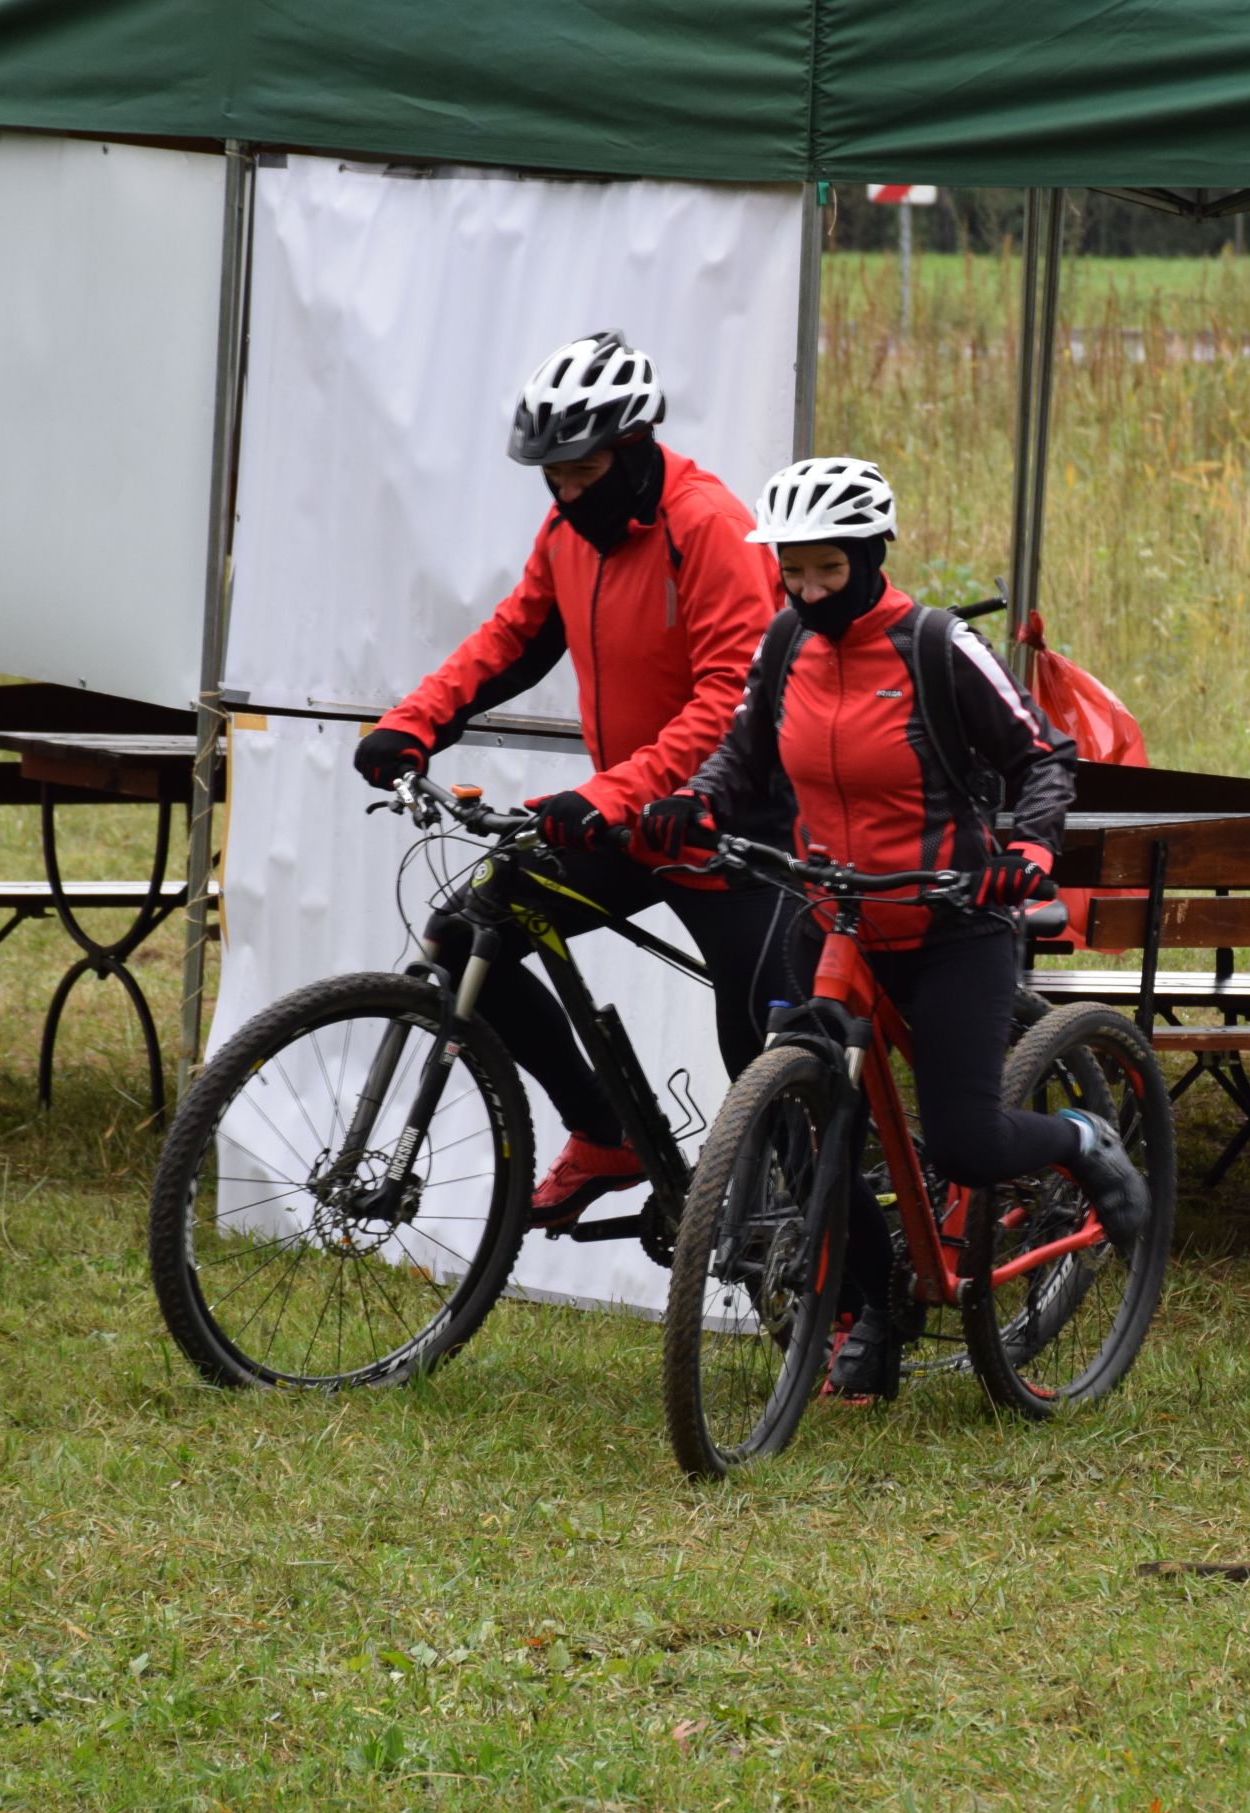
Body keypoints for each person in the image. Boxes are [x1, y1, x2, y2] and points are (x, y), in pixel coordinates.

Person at [641, 456, 1149, 1401]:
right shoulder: (786, 641)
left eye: (829, 569)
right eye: (793, 570)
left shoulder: (936, 645)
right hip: (828, 917)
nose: (808, 589)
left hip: (953, 923)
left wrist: (1026, 854)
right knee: (800, 1118)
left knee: (964, 1143)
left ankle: (1080, 1138)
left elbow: (1043, 756)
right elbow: (741, 759)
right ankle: (876, 1305)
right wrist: (695, 803)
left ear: (874, 555)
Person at [352, 331, 793, 1228]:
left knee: (764, 1055)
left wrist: (608, 792)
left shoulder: (707, 525)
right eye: (552, 477)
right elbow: (514, 639)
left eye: (583, 472)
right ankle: (604, 1133)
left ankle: (834, 1286)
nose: (566, 493)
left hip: (738, 829)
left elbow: (732, 699)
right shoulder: (568, 530)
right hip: (633, 822)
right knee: (466, 934)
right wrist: (415, 719)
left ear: (635, 449)